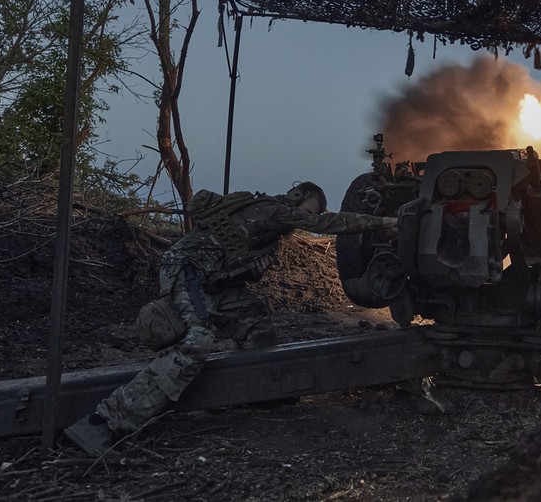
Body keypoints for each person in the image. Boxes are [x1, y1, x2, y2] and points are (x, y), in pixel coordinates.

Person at [64, 181, 396, 455]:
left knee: (253, 317)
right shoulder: (274, 210)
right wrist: (387, 222)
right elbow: (330, 225)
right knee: (197, 342)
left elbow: (234, 267)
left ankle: (261, 393)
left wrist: (251, 270)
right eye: (309, 209)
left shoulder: (268, 227)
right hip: (188, 269)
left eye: (311, 213)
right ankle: (105, 422)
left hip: (212, 278)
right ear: (297, 198)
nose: (307, 218)